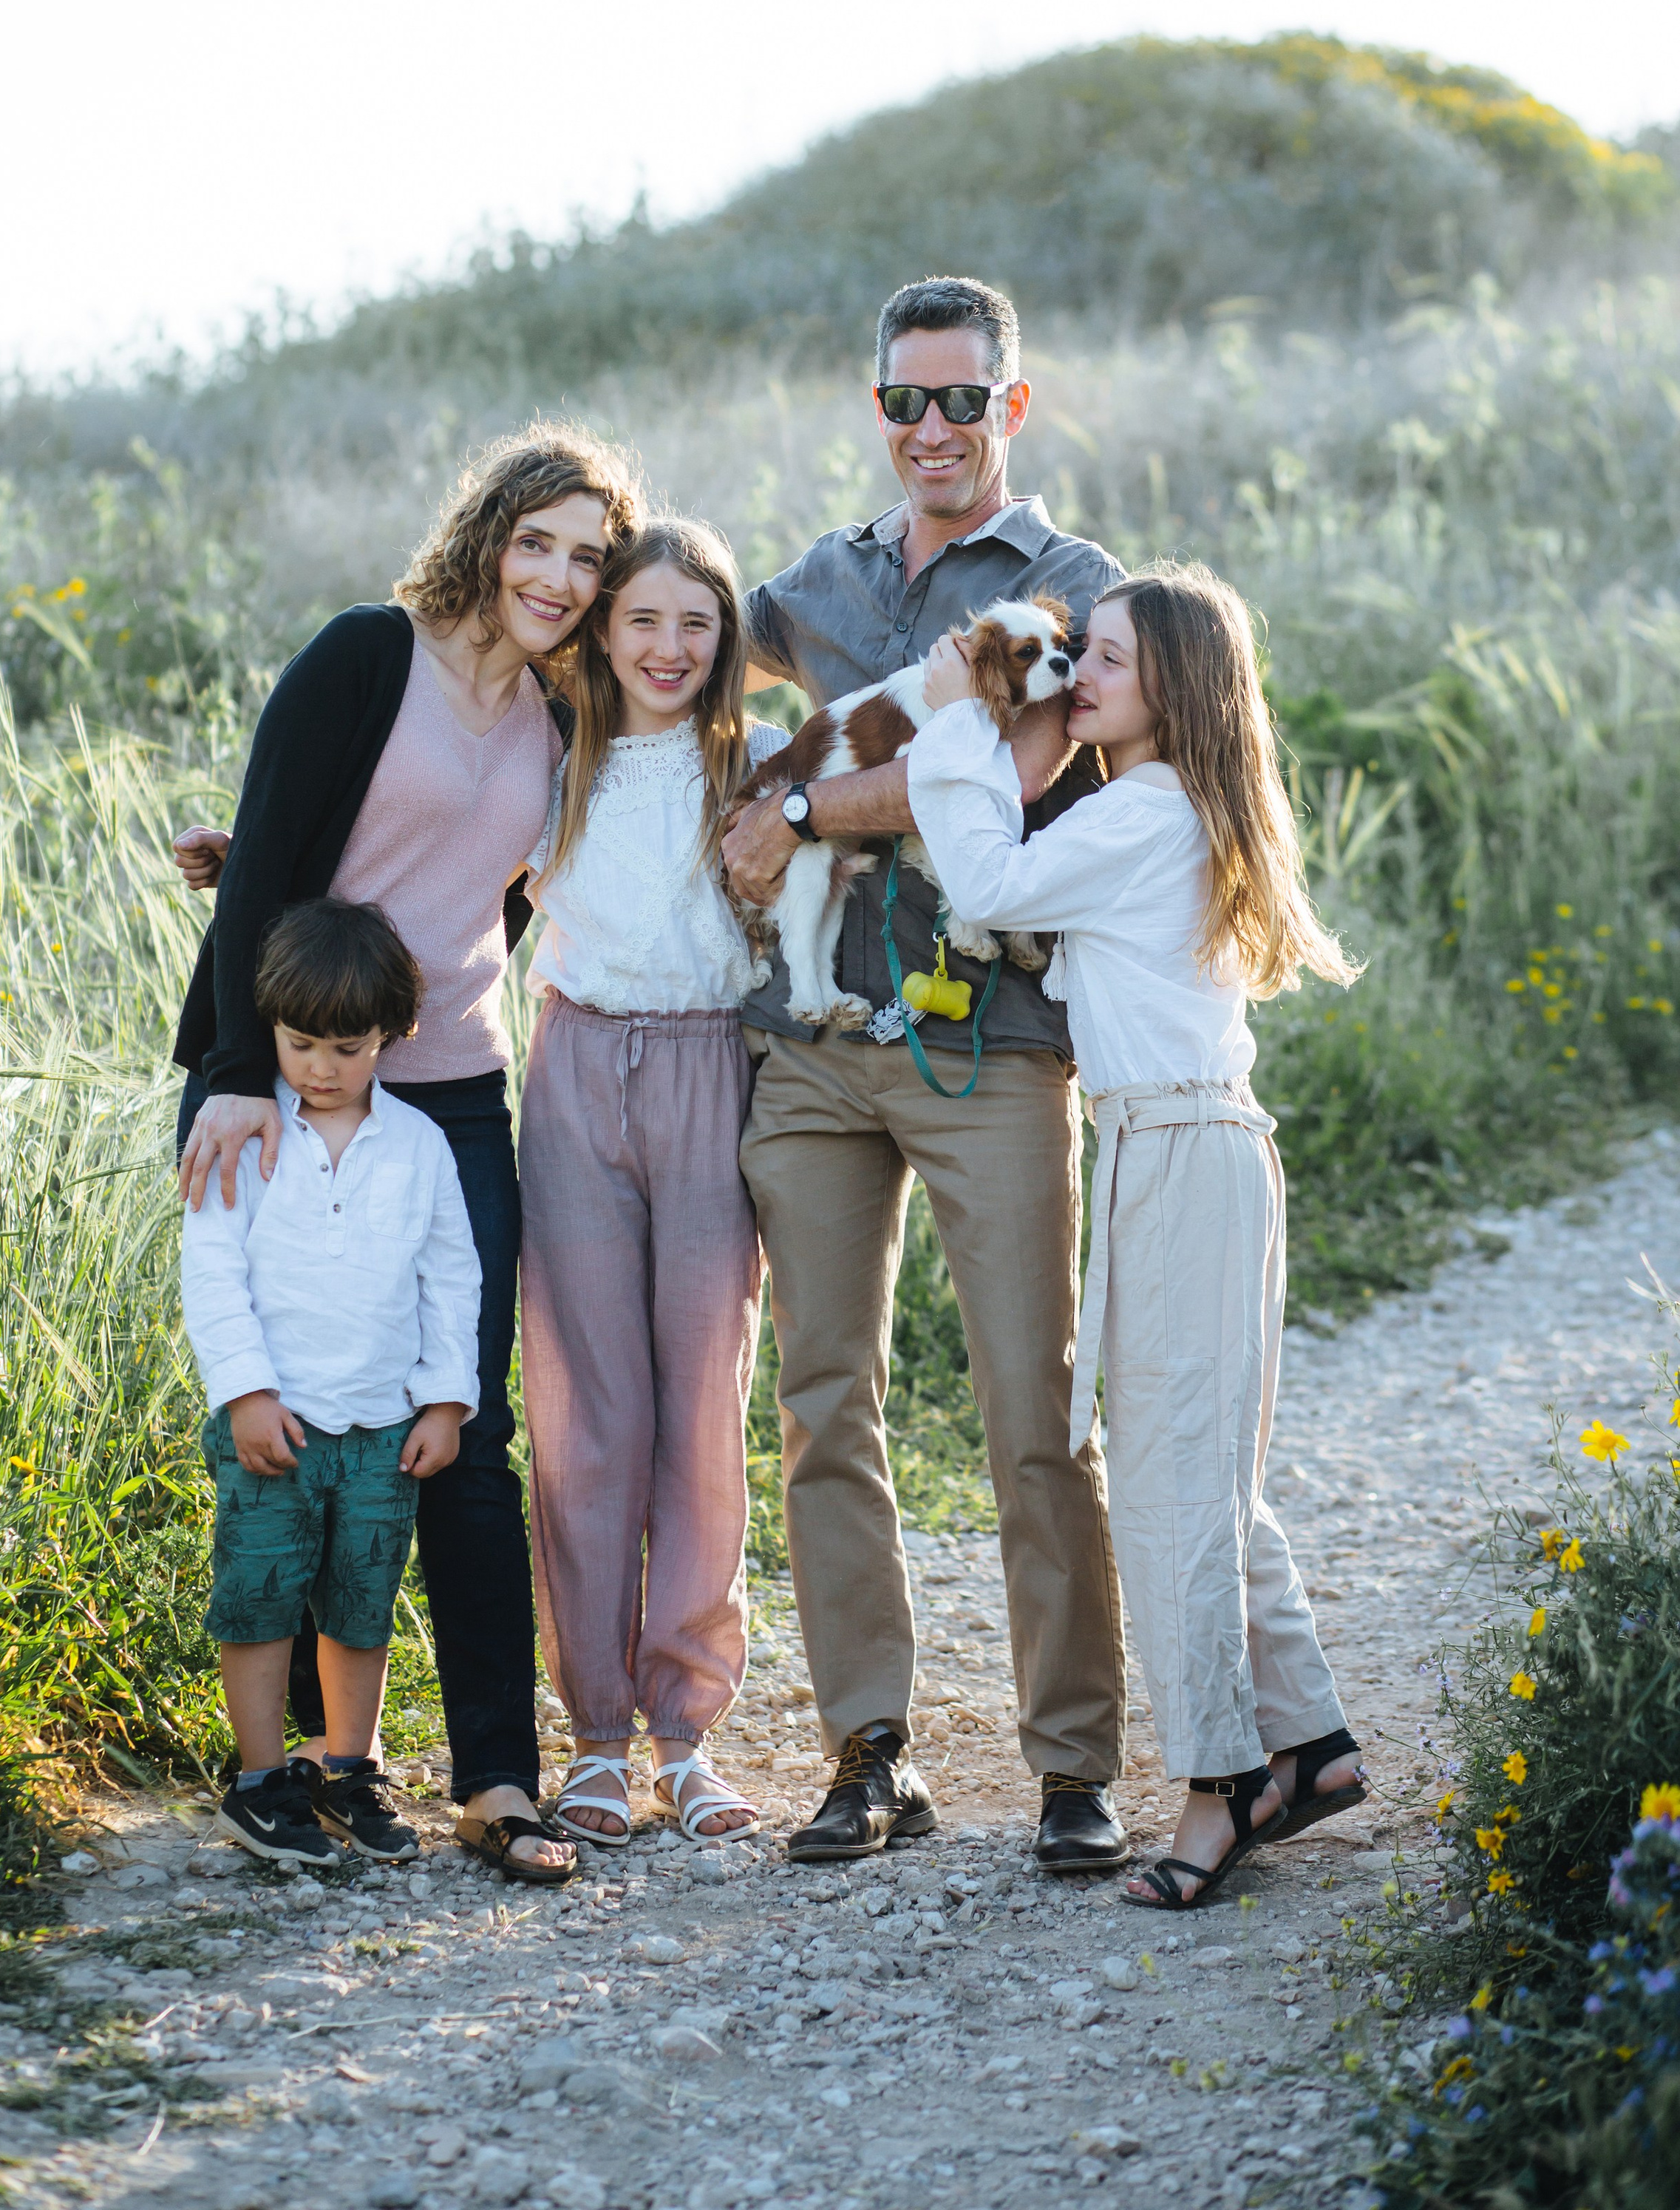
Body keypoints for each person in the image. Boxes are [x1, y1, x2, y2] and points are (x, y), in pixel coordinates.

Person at [171, 421, 642, 1885]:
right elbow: (266, 859)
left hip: (451, 1094)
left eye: (587, 557)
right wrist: (235, 1077)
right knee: (305, 1421)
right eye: (537, 541)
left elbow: (499, 893)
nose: (556, 577)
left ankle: (496, 1779)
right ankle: (295, 1762)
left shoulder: (559, 713)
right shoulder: (370, 655)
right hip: (291, 1081)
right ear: (488, 534)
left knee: (461, 1427)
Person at [722, 274, 1132, 1869]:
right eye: (906, 401)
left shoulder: (1071, 591)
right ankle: (866, 1751)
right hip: (813, 1048)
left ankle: (1072, 1765)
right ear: (878, 408)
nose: (933, 429)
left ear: (1010, 407)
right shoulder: (814, 586)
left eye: (963, 399)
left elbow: (1003, 780)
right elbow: (649, 672)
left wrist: (799, 808)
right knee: (823, 1405)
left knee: (1036, 1404)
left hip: (991, 1042)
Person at [907, 562, 1369, 1908]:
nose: (1082, 674)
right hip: (1188, 1149)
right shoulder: (1165, 807)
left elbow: (986, 881)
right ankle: (1312, 1743)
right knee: (1204, 1473)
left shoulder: (1148, 809)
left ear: (1175, 684)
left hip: (1178, 1153)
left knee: (1171, 1492)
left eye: (1108, 657)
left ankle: (1219, 1786)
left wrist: (959, 718)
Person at [517, 518, 786, 1849]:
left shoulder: (755, 762)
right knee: (586, 1412)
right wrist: (266, 860)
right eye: (643, 622)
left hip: (708, 1070)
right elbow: (423, 851)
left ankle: (687, 1735)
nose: (668, 648)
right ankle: (595, 1738)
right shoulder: (552, 753)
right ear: (603, 631)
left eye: (696, 624)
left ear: (725, 638)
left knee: (700, 1407)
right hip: (575, 1067)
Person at [183, 897, 481, 1869]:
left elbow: (452, 1277)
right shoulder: (245, 1137)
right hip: (276, 1423)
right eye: (300, 1042)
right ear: (269, 1025)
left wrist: (446, 1400)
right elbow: (212, 1273)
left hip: (383, 1430)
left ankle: (349, 1769)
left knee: (361, 1603)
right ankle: (261, 1782)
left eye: (347, 1048)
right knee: (261, 1596)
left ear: (391, 1035)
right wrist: (245, 1392)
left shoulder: (420, 1146)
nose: (320, 1067)